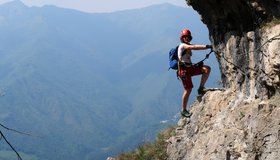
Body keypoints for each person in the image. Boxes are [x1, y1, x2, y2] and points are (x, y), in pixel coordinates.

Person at [177, 28, 212, 118]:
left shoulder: (188, 45)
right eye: (185, 37)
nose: (187, 38)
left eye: (188, 37)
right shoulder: (182, 46)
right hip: (184, 71)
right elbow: (194, 47)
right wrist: (208, 46)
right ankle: (184, 110)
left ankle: (200, 89)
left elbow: (195, 46)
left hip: (190, 68)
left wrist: (207, 47)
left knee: (206, 69)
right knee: (188, 90)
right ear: (182, 38)